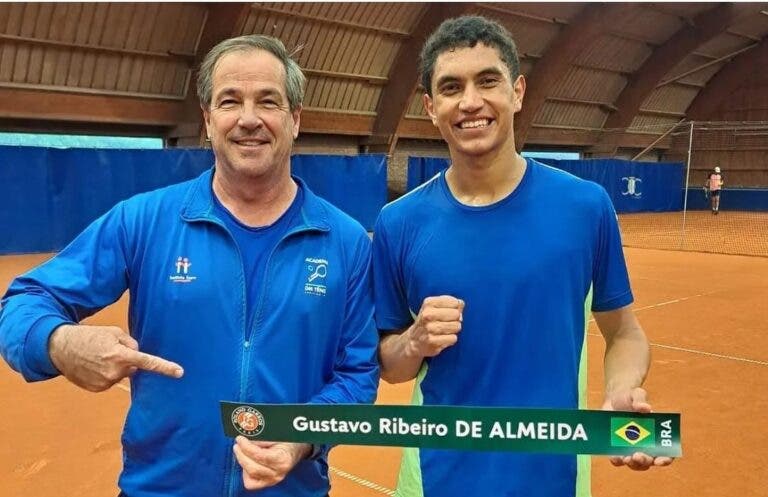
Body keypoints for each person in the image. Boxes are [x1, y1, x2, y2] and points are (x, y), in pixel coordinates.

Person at [0, 35, 379, 497]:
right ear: (207, 119)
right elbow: (23, 302)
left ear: (295, 119)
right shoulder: (144, 220)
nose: (248, 119)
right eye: (229, 101)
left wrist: (302, 437)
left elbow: (357, 377)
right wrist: (58, 341)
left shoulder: (346, 242)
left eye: (268, 101)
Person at [372, 16, 672, 497]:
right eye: (451, 87)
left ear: (517, 91)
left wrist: (619, 393)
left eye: (487, 81)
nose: (470, 102)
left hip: (555, 479)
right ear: (431, 107)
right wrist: (414, 342)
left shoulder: (586, 206)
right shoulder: (398, 222)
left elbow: (626, 333)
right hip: (434, 480)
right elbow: (390, 364)